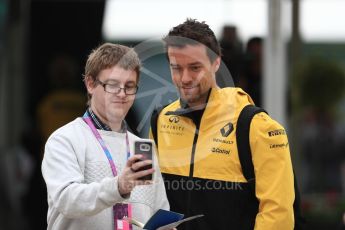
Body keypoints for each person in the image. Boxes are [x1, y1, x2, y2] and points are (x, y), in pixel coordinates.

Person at [150, 19, 295, 230]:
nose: (185, 78)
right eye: (176, 68)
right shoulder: (161, 120)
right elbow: (149, 195)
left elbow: (278, 215)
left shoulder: (256, 126)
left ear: (216, 63)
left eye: (195, 67)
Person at [42, 43, 169, 230]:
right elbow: (66, 199)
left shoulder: (143, 147)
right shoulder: (64, 140)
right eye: (113, 85)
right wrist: (118, 186)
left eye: (130, 86)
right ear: (90, 84)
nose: (122, 94)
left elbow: (159, 212)